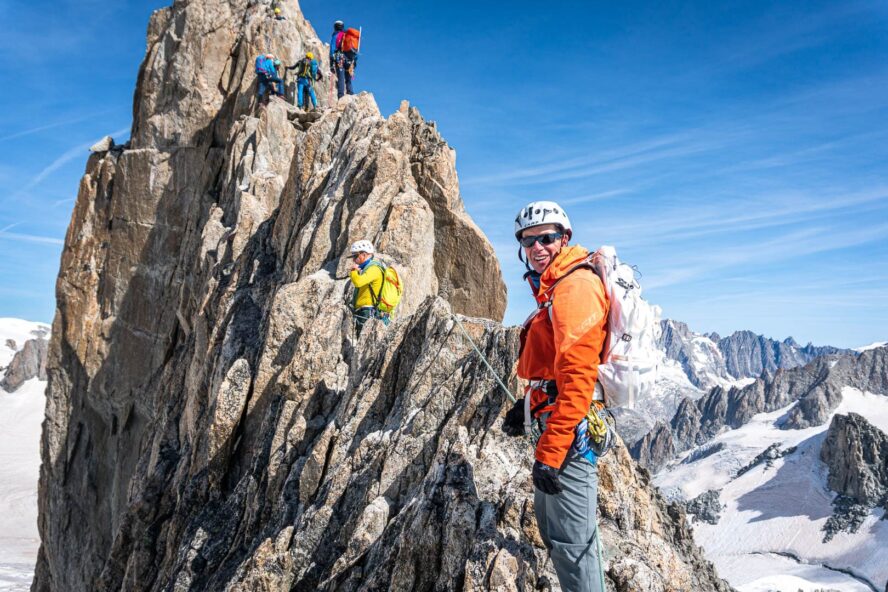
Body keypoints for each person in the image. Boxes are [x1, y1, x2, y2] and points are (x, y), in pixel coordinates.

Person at [502, 201, 608, 592]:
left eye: (546, 238)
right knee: (553, 530)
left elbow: (578, 381)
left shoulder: (574, 288)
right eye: (529, 241)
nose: (537, 247)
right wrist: (527, 405)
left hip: (569, 437)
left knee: (572, 544)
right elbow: (554, 371)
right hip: (554, 424)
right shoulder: (553, 286)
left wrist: (549, 454)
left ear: (564, 239)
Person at [347, 240, 390, 334]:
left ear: (364, 254)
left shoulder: (374, 268)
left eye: (355, 256)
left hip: (367, 311)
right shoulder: (367, 268)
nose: (354, 260)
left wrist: (354, 271)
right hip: (364, 311)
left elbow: (358, 282)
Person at [330, 20, 358, 99]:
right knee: (348, 79)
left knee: (341, 78)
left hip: (340, 59)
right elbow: (355, 51)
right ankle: (351, 95)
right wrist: (354, 61)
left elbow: (332, 50)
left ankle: (341, 97)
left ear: (335, 27)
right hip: (350, 60)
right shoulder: (347, 36)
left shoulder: (336, 35)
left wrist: (331, 64)